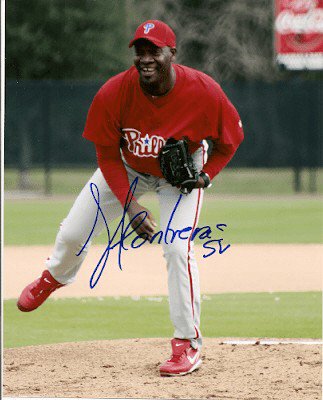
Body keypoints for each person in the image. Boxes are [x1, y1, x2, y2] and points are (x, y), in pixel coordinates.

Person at [17, 20, 244, 376]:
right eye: (140, 51)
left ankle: (187, 344)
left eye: (154, 50)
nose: (145, 58)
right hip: (128, 166)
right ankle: (55, 277)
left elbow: (229, 143)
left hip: (179, 177)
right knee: (75, 232)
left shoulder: (204, 91)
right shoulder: (114, 92)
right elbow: (107, 155)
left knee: (176, 248)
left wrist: (204, 176)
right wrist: (130, 206)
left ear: (172, 53)